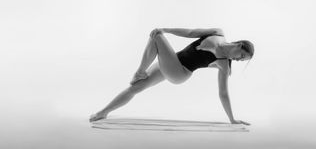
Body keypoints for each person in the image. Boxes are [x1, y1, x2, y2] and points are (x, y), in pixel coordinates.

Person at [89, 28, 254, 125]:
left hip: (179, 72)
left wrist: (232, 119)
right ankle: (103, 112)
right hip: (172, 60)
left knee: (156, 36)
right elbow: (190, 32)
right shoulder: (217, 32)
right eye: (241, 56)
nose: (238, 60)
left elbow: (223, 93)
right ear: (239, 45)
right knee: (135, 88)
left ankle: (140, 71)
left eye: (241, 60)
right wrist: (167, 29)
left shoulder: (223, 63)